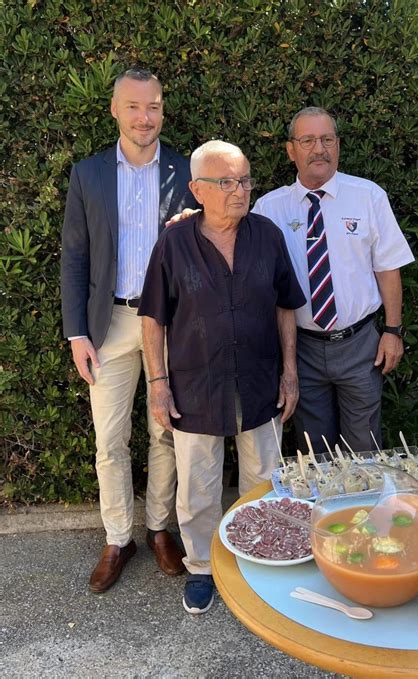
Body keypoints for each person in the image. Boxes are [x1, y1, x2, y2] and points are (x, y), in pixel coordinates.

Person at [139, 140, 306, 614]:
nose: (240, 190)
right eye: (227, 182)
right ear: (197, 189)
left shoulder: (267, 235)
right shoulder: (174, 241)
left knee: (263, 481)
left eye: (246, 179)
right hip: (196, 386)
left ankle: (257, 562)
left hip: (259, 381)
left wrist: (289, 372)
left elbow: (285, 306)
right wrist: (157, 382)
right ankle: (201, 568)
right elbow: (153, 318)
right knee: (198, 489)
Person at [60, 67, 197, 593]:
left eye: (154, 106)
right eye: (134, 106)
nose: (145, 117)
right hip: (110, 324)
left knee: (167, 433)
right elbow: (74, 258)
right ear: (115, 109)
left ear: (163, 110)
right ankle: (119, 537)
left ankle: (160, 529)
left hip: (170, 323)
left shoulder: (187, 171)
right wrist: (77, 333)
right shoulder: (88, 174)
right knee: (109, 440)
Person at [253, 106, 415, 454]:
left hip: (361, 346)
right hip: (302, 349)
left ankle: (365, 509)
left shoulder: (369, 196)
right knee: (315, 452)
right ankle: (325, 511)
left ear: (338, 146)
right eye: (308, 140)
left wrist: (393, 331)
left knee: (365, 448)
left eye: (327, 139)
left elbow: (388, 267)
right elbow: (234, 247)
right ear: (290, 149)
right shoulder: (268, 209)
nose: (319, 149)